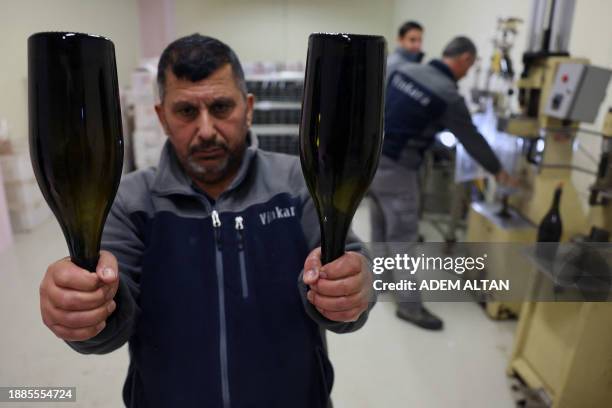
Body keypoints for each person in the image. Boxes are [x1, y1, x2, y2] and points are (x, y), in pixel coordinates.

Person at [38, 34, 374, 408]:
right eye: (186, 111)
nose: (207, 130)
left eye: (220, 107)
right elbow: (107, 326)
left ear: (248, 108)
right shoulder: (130, 202)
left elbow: (351, 274)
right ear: (161, 116)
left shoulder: (299, 184)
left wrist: (354, 286)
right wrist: (84, 312)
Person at [369, 36, 516, 331]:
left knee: (380, 227)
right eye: (470, 66)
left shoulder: (404, 71)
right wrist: (498, 170)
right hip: (398, 171)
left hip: (369, 161)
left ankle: (380, 283)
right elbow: (470, 138)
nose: (468, 72)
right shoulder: (448, 95)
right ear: (463, 59)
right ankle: (409, 307)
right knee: (404, 240)